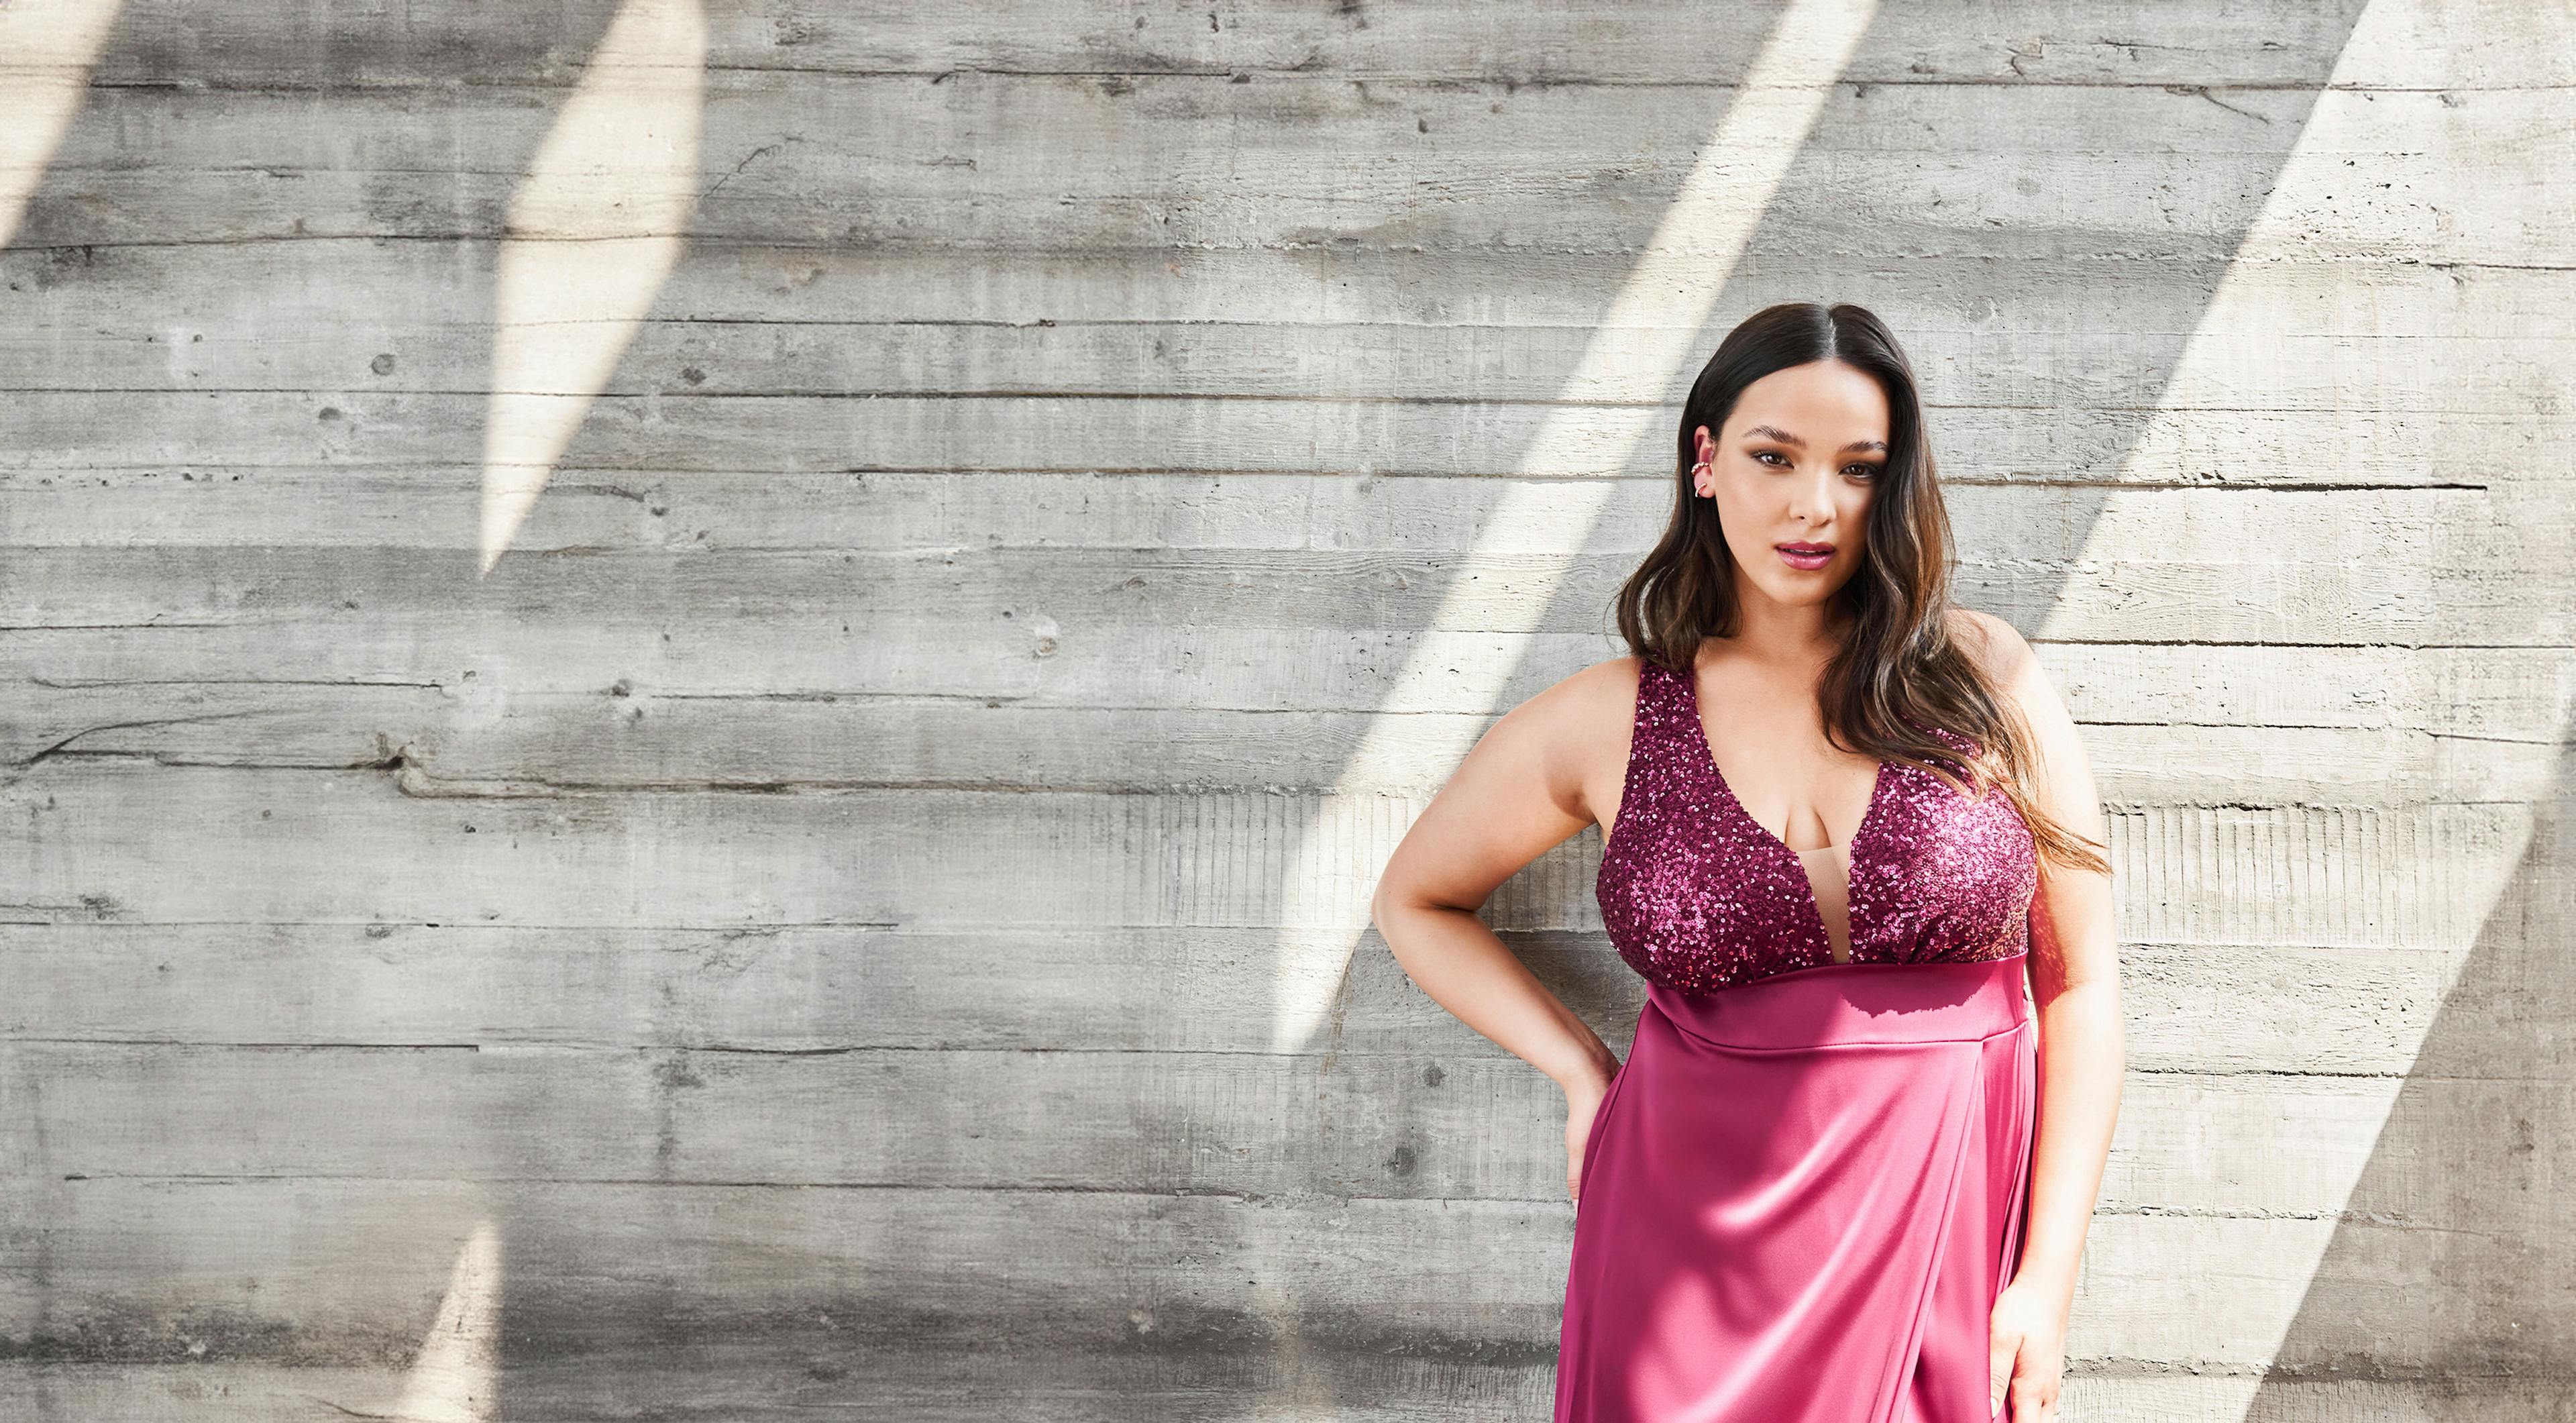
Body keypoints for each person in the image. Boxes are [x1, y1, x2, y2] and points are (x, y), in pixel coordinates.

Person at [1368, 301, 2123, 1422]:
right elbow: (1415, 900)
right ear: (1707, 460)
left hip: (1945, 1235)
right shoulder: (1608, 719)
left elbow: (2083, 982)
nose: (1814, 505)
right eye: (1775, 457)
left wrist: (2045, 1285)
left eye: (1859, 470)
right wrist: (1582, 1069)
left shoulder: (1983, 675)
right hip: (1679, 1253)